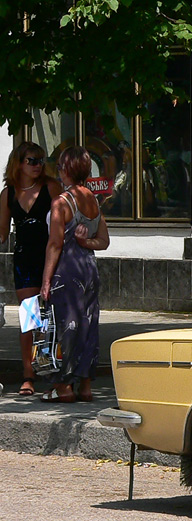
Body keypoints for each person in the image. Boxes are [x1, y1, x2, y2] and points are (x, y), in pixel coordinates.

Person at [40, 147, 110, 403]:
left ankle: (63, 386)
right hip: (89, 269)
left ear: (67, 170)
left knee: (64, 326)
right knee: (88, 325)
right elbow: (103, 241)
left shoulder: (61, 202)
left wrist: (46, 280)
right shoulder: (93, 199)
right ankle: (86, 385)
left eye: (59, 167)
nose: (58, 172)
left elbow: (55, 244)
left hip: (66, 271)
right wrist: (85, 243)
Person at [0, 142, 62, 396]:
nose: (38, 165)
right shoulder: (9, 193)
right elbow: (2, 232)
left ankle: (56, 371)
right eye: (31, 160)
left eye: (40, 160)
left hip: (51, 256)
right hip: (25, 259)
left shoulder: (51, 187)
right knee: (29, 319)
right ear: (19, 163)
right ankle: (29, 375)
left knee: (53, 319)